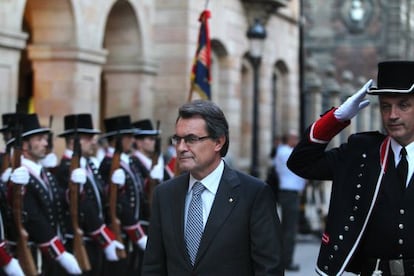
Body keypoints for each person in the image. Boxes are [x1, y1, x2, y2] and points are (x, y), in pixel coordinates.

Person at [287, 60, 414, 275]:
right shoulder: (362, 152)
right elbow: (301, 163)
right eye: (386, 106)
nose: (392, 115)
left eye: (403, 105)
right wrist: (337, 118)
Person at [142, 99, 284, 275]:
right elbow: (153, 266)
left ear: (218, 142)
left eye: (191, 139)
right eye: (177, 139)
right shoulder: (164, 194)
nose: (180, 147)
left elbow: (269, 268)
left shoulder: (254, 194)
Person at [7, 113, 81, 275]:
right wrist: (59, 253)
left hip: (52, 254)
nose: (46, 143)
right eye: (39, 139)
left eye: (44, 139)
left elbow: (60, 200)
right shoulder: (19, 176)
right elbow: (32, 218)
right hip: (36, 254)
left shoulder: (45, 173)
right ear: (25, 146)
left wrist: (75, 189)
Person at [56, 113, 125, 276]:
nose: (94, 141)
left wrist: (117, 187)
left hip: (95, 242)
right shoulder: (66, 168)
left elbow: (101, 200)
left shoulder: (87, 166)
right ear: (74, 141)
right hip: (83, 241)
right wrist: (105, 238)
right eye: (88, 137)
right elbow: (85, 207)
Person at [98, 115, 148, 275]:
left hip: (134, 227)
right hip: (122, 230)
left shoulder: (128, 161)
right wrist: (137, 233)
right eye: (127, 136)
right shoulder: (108, 163)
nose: (132, 140)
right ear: (117, 139)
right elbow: (118, 202)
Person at [274, 131, 307, 272]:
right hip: (289, 194)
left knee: (288, 228)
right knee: (290, 229)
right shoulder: (285, 152)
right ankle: (286, 260)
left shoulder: (284, 151)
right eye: (295, 138)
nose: (297, 140)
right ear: (289, 139)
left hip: (290, 193)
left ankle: (283, 258)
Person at [131, 119, 171, 220]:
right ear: (139, 142)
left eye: (155, 139)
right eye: (150, 139)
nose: (154, 142)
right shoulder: (134, 162)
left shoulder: (155, 161)